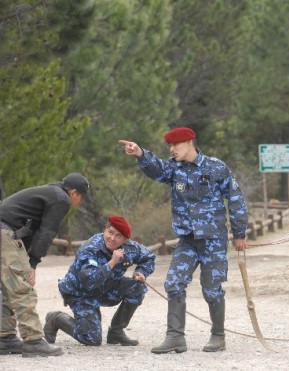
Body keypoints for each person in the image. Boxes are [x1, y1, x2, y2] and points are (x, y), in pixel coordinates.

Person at [118, 126, 248, 354]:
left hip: (213, 240)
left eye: (174, 145)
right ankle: (175, 337)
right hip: (187, 240)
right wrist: (140, 153)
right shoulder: (174, 169)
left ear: (189, 143)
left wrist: (239, 234)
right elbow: (156, 169)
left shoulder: (216, 167)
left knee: (211, 289)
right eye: (169, 145)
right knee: (174, 283)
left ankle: (218, 336)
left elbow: (236, 199)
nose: (171, 149)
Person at [0, 173, 91, 357]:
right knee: (22, 287)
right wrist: (32, 264)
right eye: (81, 197)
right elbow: (46, 232)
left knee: (9, 286)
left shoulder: (51, 192)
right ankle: (33, 341)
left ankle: (5, 338)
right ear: (73, 192)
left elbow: (31, 228)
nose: (79, 202)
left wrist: (27, 258)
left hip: (5, 229)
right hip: (5, 232)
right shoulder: (61, 199)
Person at [44, 215, 155, 347]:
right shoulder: (91, 248)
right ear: (104, 230)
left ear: (125, 240)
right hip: (80, 293)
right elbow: (89, 281)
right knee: (92, 339)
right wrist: (112, 262)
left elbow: (149, 257)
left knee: (138, 287)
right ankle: (56, 318)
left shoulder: (130, 248)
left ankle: (116, 332)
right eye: (110, 232)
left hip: (107, 288)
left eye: (118, 236)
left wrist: (141, 271)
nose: (112, 238)